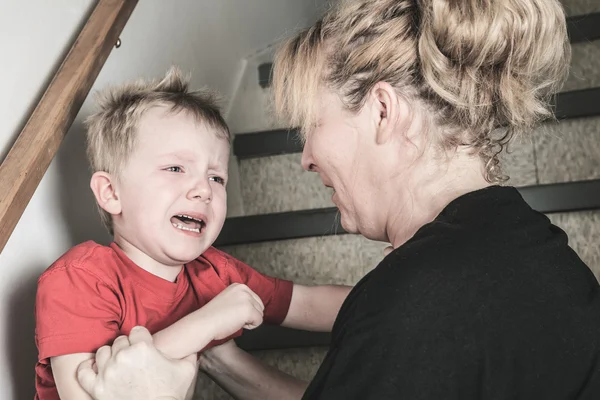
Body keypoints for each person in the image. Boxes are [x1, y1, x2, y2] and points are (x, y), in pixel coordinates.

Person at [81, 0, 600, 398]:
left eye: (313, 125)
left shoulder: (415, 303)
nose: (305, 156)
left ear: (381, 112)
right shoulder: (543, 256)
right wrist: (223, 361)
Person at [34, 68, 351, 400]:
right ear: (111, 193)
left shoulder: (214, 272)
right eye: (175, 169)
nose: (203, 189)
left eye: (217, 177)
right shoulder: (80, 278)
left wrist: (396, 289)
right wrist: (207, 323)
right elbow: (92, 391)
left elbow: (308, 304)